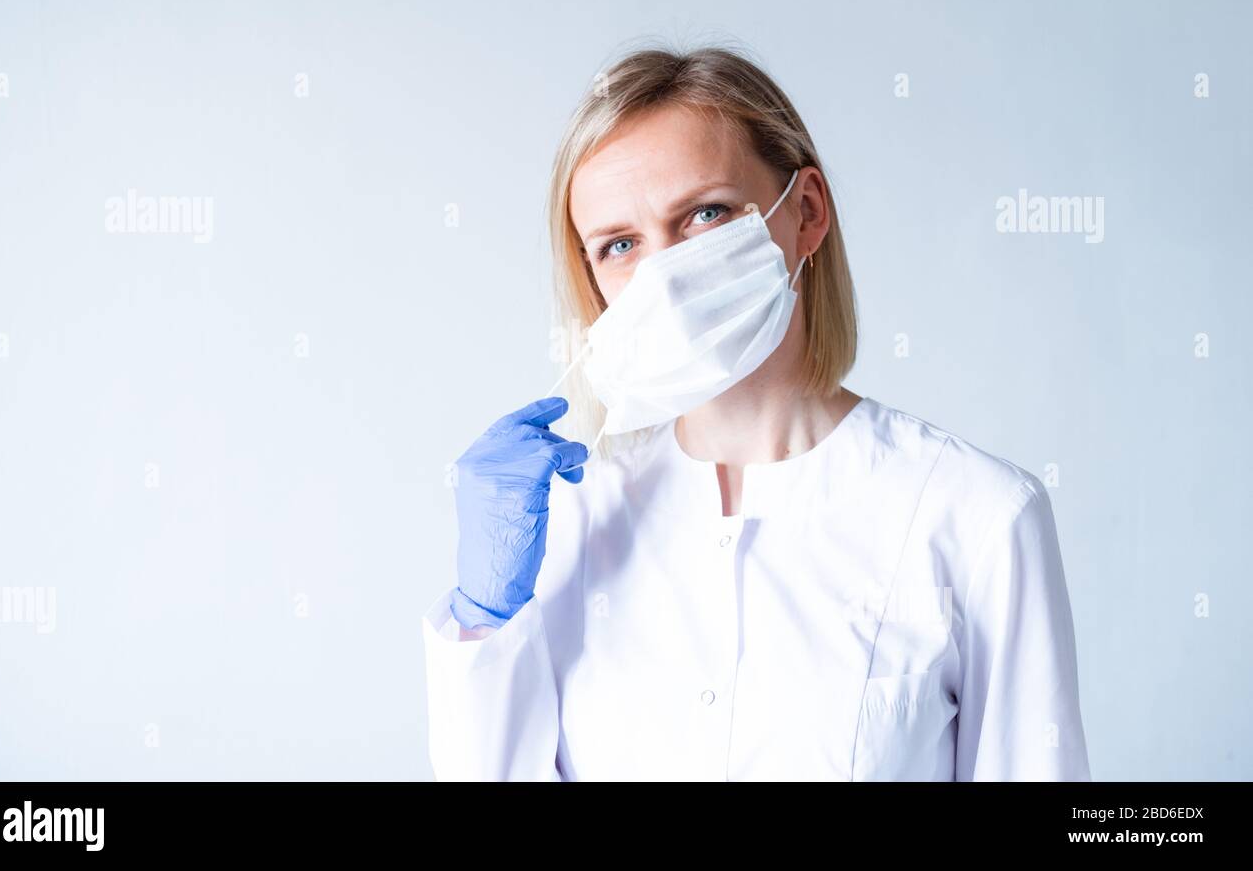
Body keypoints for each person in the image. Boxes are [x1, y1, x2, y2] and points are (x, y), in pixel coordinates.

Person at [420, 45, 1091, 781]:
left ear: (805, 214)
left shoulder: (975, 516)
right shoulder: (567, 524)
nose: (663, 275)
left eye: (705, 214)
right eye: (619, 244)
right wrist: (483, 623)